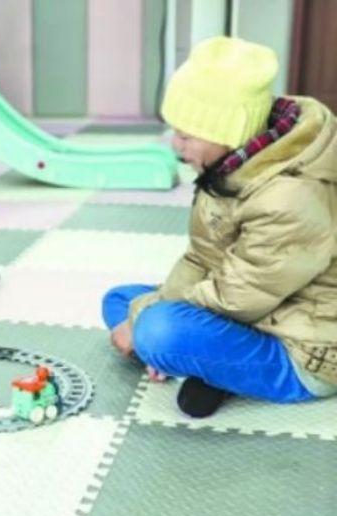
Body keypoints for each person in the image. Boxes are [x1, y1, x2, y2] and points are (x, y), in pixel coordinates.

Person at [102, 36, 337, 417]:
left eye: (185, 135)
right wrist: (139, 314)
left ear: (229, 132)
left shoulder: (289, 197)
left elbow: (238, 296)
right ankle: (207, 364)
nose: (175, 146)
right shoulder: (232, 166)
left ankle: (199, 361)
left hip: (306, 351)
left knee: (158, 329)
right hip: (259, 311)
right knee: (119, 300)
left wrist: (145, 323)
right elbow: (202, 258)